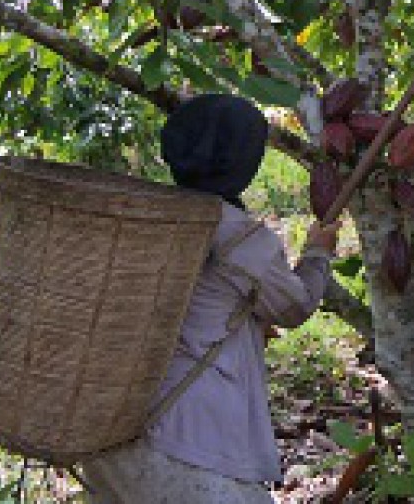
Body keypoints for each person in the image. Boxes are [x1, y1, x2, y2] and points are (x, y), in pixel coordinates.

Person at [80, 94, 341, 504]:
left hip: (113, 435)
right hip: (195, 442)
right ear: (243, 161)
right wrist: (318, 252)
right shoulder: (238, 235)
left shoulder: (148, 215)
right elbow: (295, 306)